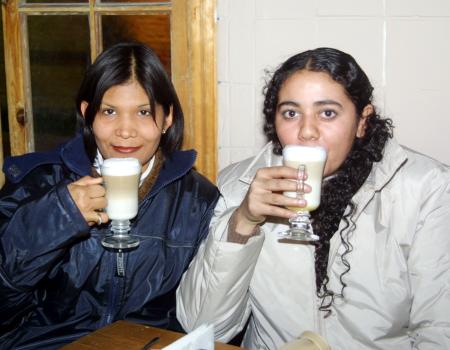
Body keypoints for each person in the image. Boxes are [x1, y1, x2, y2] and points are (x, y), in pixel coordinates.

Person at [176, 47, 450, 349]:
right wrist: (242, 222)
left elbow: (439, 329)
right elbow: (203, 328)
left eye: (327, 113)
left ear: (362, 121)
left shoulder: (426, 187)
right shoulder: (239, 185)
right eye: (291, 113)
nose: (306, 131)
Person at [0, 42, 219, 349]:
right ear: (87, 113)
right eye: (110, 111)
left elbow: (203, 316)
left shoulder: (198, 200)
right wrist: (56, 218)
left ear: (167, 118)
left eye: (143, 112)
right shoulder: (36, 182)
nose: (125, 131)